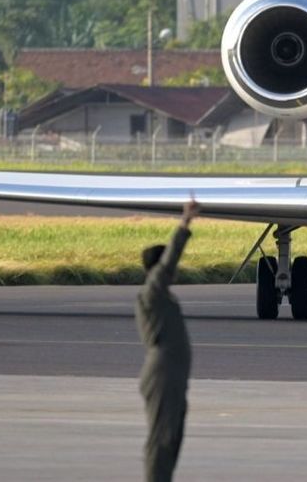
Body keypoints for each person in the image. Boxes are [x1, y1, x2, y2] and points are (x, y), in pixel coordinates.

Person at [136, 199, 200, 482]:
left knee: (173, 436)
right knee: (161, 438)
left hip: (172, 375)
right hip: (162, 375)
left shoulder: (161, 296)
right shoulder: (152, 293)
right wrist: (185, 223)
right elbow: (168, 263)